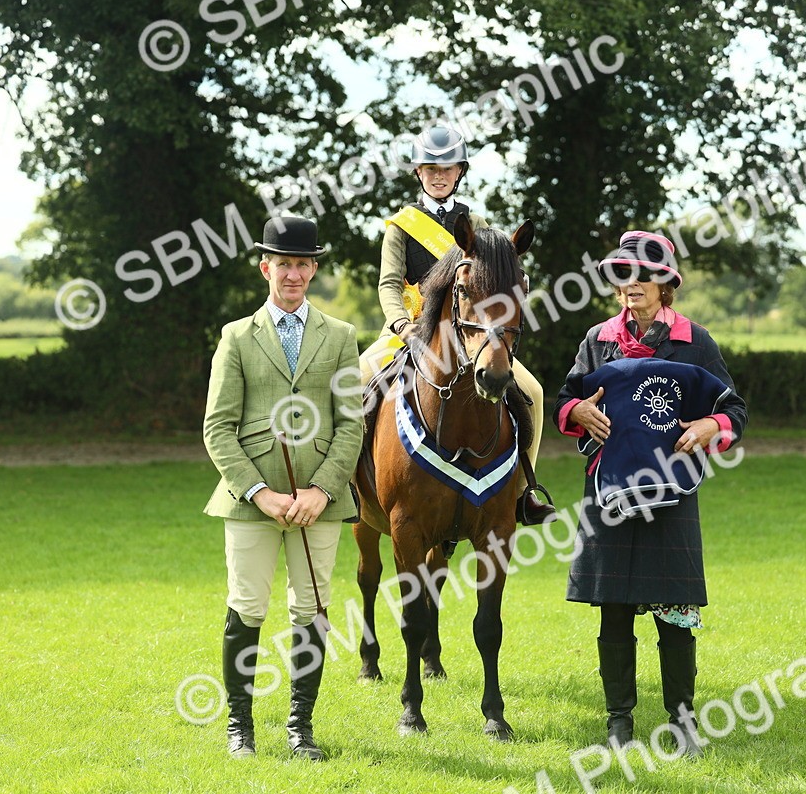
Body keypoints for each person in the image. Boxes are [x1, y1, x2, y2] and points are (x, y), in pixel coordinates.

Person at [553, 230, 748, 757]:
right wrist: (578, 413)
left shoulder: (695, 341)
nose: (631, 284)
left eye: (643, 275)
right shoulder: (597, 339)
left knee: (675, 615)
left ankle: (683, 723)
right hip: (609, 492)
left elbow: (734, 410)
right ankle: (619, 722)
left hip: (672, 493)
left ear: (666, 284)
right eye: (623, 275)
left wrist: (711, 427)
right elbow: (565, 400)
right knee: (613, 612)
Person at [203, 216, 362, 761]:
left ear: (313, 269)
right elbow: (217, 427)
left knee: (311, 611)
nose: (292, 274)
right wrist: (258, 493)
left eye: (302, 264)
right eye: (282, 264)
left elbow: (351, 423)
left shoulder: (340, 336)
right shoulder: (236, 337)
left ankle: (300, 727)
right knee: (247, 606)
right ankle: (239, 726)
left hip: (319, 501)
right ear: (265, 267)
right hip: (253, 501)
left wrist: (321, 488)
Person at [361, 123, 555, 525]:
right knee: (357, 380)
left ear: (460, 172)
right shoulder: (400, 225)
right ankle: (349, 487)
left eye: (447, 168)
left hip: (470, 333)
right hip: (410, 330)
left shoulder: (477, 221)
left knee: (531, 391)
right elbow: (389, 283)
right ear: (418, 172)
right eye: (430, 167)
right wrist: (400, 324)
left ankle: (524, 491)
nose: (438, 174)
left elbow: (492, 278)